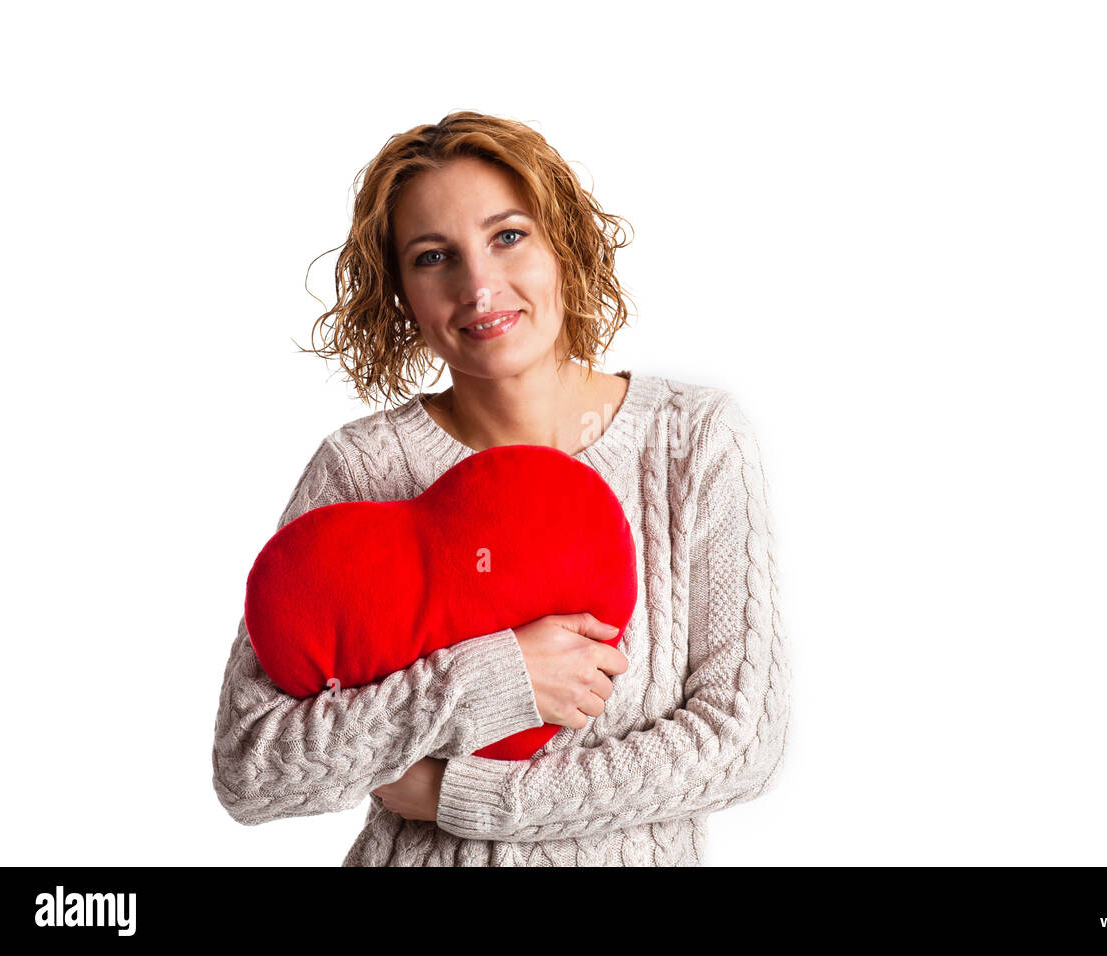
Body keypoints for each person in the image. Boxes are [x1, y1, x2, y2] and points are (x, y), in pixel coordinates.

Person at [210, 111, 792, 866]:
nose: (479, 285)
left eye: (508, 236)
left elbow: (740, 742)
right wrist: (494, 676)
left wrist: (462, 796)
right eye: (433, 257)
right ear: (400, 295)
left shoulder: (692, 441)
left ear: (564, 244)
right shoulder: (360, 470)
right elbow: (251, 767)